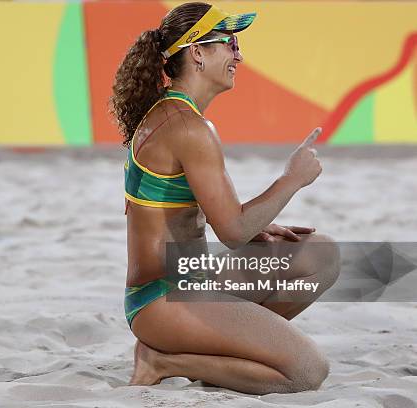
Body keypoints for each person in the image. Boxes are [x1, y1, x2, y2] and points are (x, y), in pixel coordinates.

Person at [110, 2, 341, 394]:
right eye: (229, 43)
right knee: (307, 372)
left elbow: (217, 217)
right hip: (162, 299)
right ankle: (164, 358)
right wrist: (292, 179)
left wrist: (257, 224)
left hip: (189, 278)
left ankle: (233, 347)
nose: (239, 55)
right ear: (197, 52)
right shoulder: (189, 127)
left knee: (320, 255)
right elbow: (232, 231)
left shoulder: (173, 115)